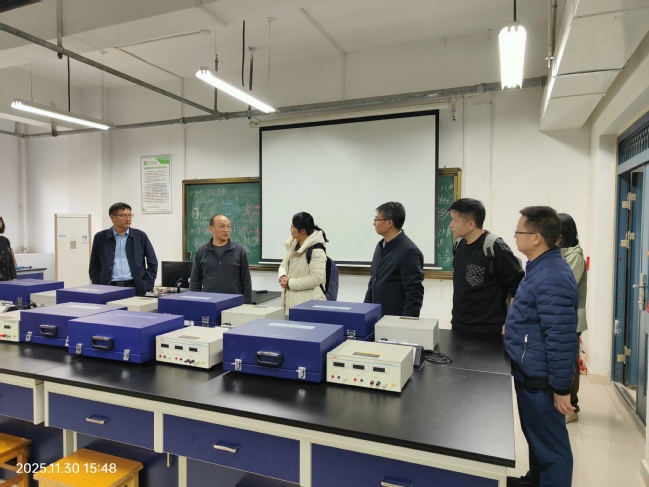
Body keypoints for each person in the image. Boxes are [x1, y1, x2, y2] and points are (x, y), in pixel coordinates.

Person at [505, 206, 578, 487]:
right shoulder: (539, 267)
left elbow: (561, 338)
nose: (515, 236)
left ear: (536, 238)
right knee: (537, 438)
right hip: (531, 372)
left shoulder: (552, 277)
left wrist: (561, 388)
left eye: (519, 231)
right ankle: (534, 480)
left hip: (542, 381)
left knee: (552, 450)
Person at [449, 198, 524, 333]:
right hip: (459, 326)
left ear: (471, 224)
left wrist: (511, 322)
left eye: (454, 220)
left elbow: (518, 286)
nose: (451, 225)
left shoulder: (494, 247)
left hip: (488, 331)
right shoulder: (458, 245)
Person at [364, 201, 424, 317]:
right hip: (376, 317)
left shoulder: (409, 252)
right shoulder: (380, 246)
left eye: (377, 219)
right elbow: (373, 281)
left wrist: (406, 323)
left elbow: (414, 295)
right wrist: (365, 311)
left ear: (389, 223)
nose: (374, 223)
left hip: (394, 321)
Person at [89, 202, 158, 297]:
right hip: (109, 287)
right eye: (123, 215)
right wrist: (98, 285)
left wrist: (147, 284)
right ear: (112, 218)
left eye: (130, 215)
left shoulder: (140, 236)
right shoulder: (100, 237)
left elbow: (152, 261)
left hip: (135, 287)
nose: (128, 219)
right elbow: (94, 265)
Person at [558, 212, 588, 424]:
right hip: (560, 317)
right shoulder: (558, 253)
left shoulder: (575, 256)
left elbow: (564, 285)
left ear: (563, 234)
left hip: (571, 319)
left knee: (569, 363)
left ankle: (572, 407)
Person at [189, 214, 252, 304]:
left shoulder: (239, 251)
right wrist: (194, 302)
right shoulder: (201, 251)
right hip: (209, 302)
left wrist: (247, 304)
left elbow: (246, 280)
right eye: (222, 226)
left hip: (233, 303)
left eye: (228, 226)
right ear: (211, 229)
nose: (226, 230)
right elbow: (195, 280)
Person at [278, 212, 327, 311]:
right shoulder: (293, 244)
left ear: (303, 231)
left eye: (293, 226)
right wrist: (282, 277)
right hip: (290, 303)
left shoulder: (317, 250)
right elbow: (283, 265)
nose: (290, 229)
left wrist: (289, 283)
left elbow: (316, 279)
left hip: (308, 306)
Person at [0, 216, 17, 281]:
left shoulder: (5, 241)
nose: (0, 223)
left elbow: (10, 262)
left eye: (0, 221)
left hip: (6, 279)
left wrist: (14, 277)